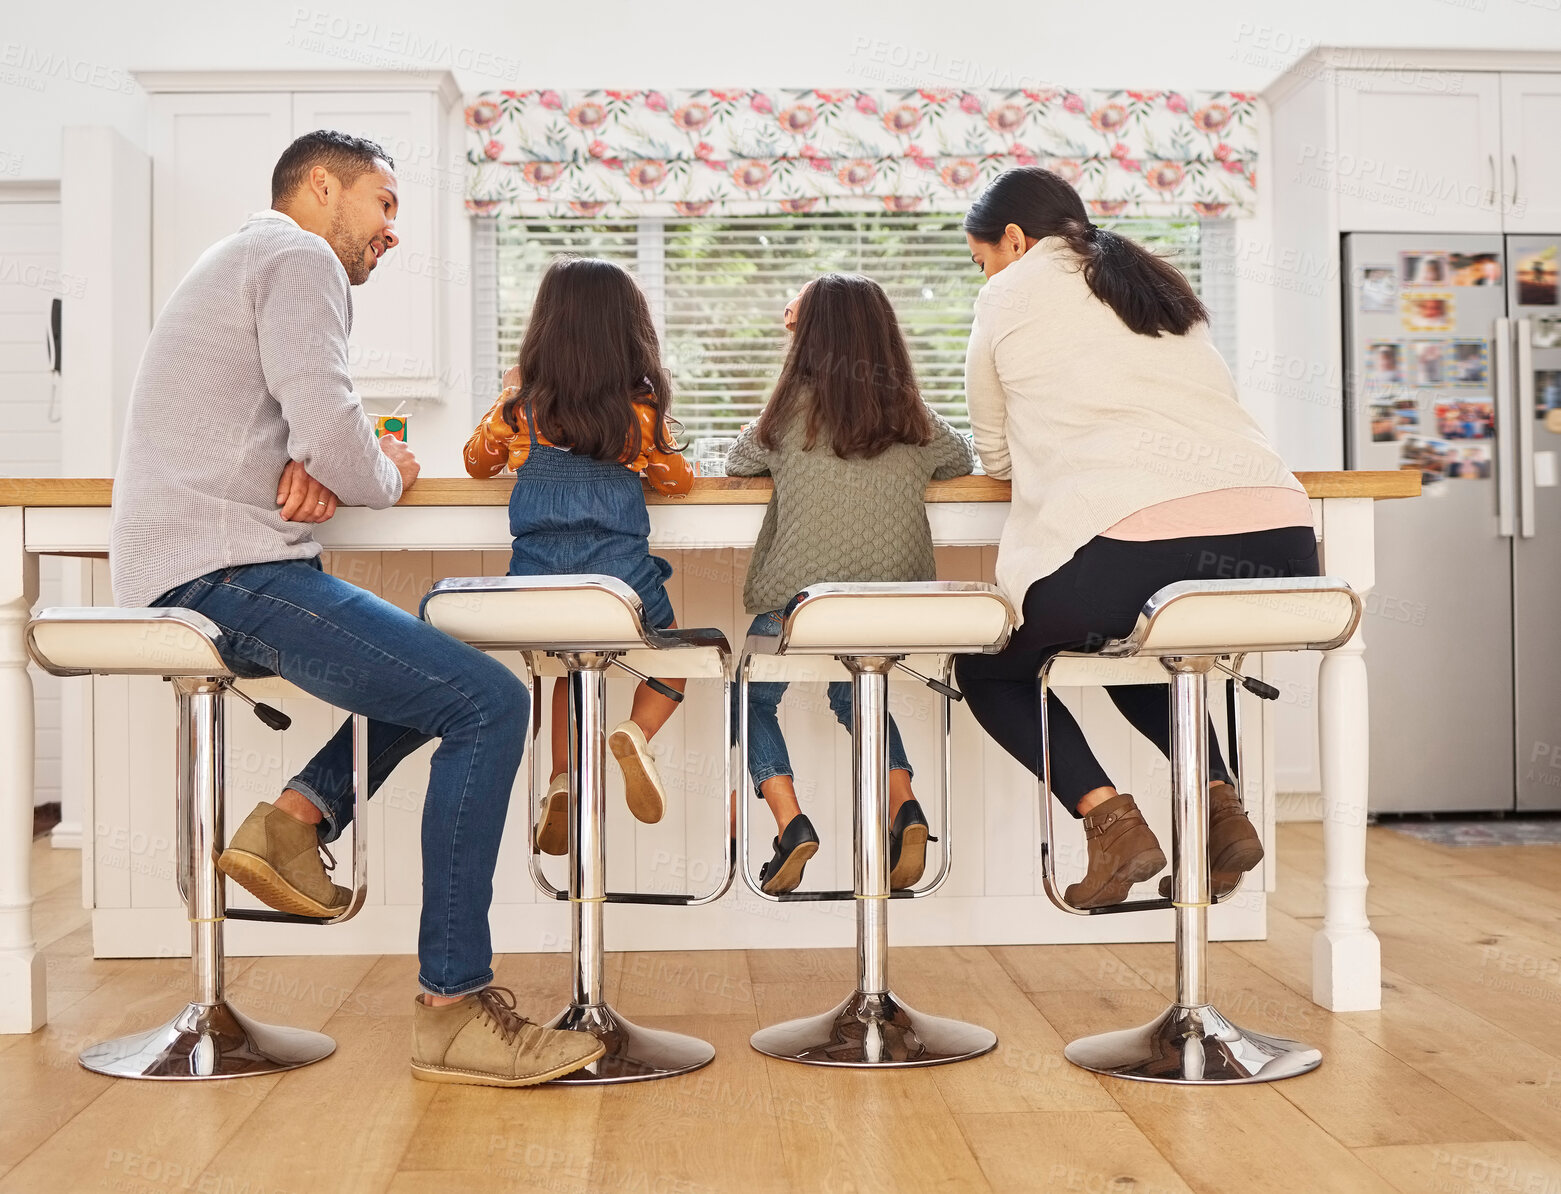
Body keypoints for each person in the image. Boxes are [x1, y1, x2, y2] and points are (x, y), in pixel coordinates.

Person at [109, 130, 604, 1086]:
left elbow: (308, 435)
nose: (391, 230)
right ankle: (452, 1008)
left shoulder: (243, 259)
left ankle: (293, 821)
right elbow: (336, 431)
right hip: (222, 571)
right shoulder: (296, 255)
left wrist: (314, 464)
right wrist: (378, 469)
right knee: (488, 701)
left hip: (204, 562)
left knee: (447, 662)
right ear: (321, 187)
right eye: (381, 203)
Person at [955, 166, 1319, 909]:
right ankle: (1220, 808)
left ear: (1015, 241)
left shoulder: (1007, 293)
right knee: (1139, 645)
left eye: (981, 256)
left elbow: (994, 455)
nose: (983, 272)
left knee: (990, 669)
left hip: (1132, 547)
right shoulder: (1152, 284)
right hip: (1283, 540)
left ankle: (1111, 824)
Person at [725, 274, 976, 893]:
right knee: (854, 693)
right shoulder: (911, 414)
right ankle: (903, 808)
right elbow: (961, 460)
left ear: (808, 336)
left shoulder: (788, 413)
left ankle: (791, 825)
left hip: (801, 606)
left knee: (752, 698)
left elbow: (736, 462)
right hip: (891, 609)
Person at [463, 256, 693, 856]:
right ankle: (635, 732)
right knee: (674, 654)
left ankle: (563, 776)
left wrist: (507, 394)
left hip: (536, 594)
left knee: (558, 664)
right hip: (621, 589)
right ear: (629, 333)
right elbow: (679, 482)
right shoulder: (638, 415)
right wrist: (653, 449)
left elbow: (476, 464)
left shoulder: (521, 415)